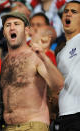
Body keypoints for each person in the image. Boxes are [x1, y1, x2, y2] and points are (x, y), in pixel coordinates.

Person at [0, 11, 64, 131]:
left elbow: (58, 85)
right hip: (8, 127)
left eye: (16, 24)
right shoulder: (4, 62)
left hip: (33, 125)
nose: (12, 27)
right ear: (4, 32)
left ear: (27, 30)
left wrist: (44, 57)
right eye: (8, 25)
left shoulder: (36, 56)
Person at [55, 1, 80, 131]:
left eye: (74, 12)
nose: (68, 14)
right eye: (66, 11)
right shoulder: (60, 53)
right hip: (65, 115)